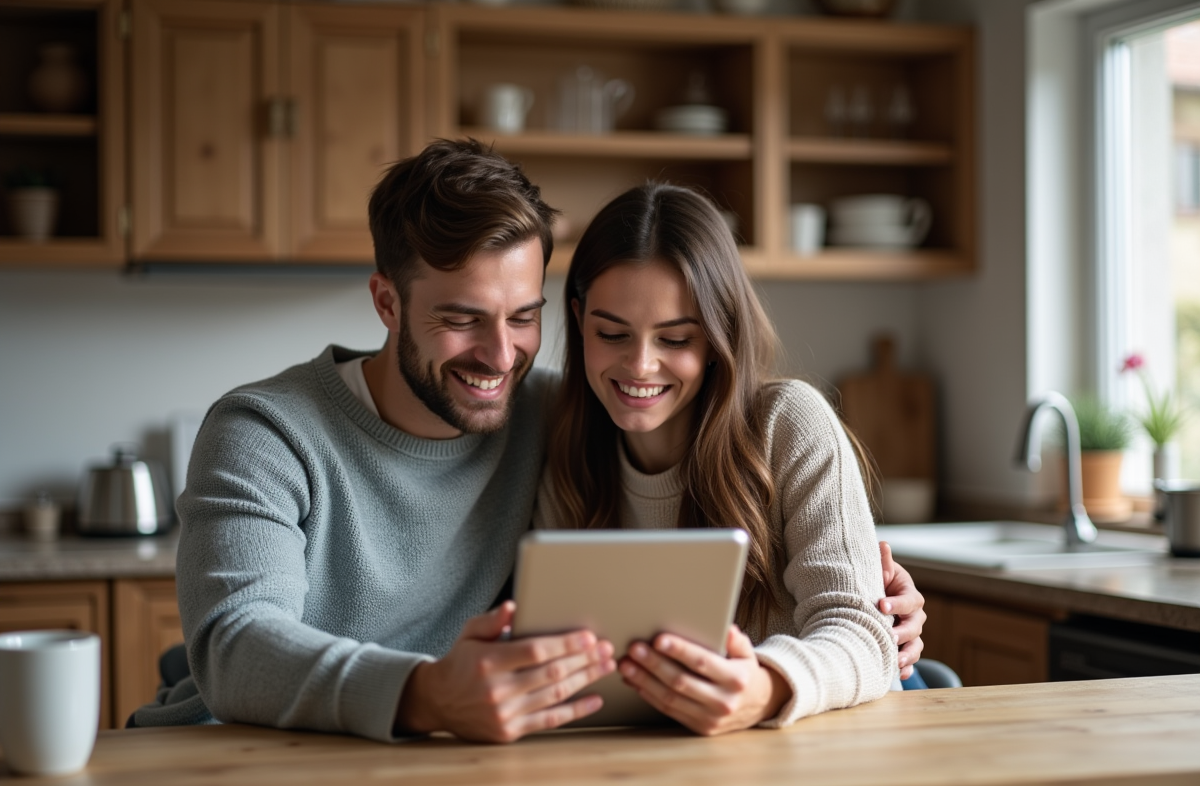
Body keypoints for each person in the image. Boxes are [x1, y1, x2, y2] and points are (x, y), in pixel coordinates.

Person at [133, 139, 924, 744]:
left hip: (465, 756)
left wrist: (869, 606)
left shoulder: (560, 416)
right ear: (386, 302)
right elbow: (237, 647)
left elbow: (838, 614)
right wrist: (427, 694)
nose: (500, 355)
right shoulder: (264, 432)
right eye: (460, 319)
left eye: (522, 317)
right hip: (264, 750)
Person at [535, 182, 906, 735]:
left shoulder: (789, 424)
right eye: (611, 333)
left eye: (676, 340)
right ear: (578, 318)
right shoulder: (567, 453)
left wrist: (766, 686)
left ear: (717, 337)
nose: (640, 365)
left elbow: (864, 633)